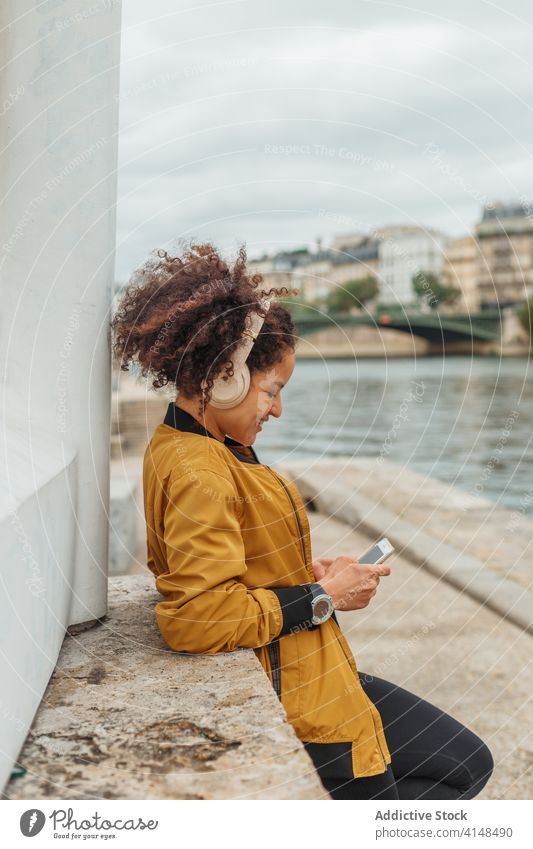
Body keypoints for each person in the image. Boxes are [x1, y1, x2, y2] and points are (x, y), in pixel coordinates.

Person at [111, 241, 494, 800]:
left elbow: (228, 560)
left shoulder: (202, 445)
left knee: (465, 762)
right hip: (301, 690)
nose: (278, 410)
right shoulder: (202, 470)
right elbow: (196, 618)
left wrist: (297, 570)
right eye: (273, 390)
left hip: (312, 670)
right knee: (456, 773)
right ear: (225, 377)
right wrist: (323, 596)